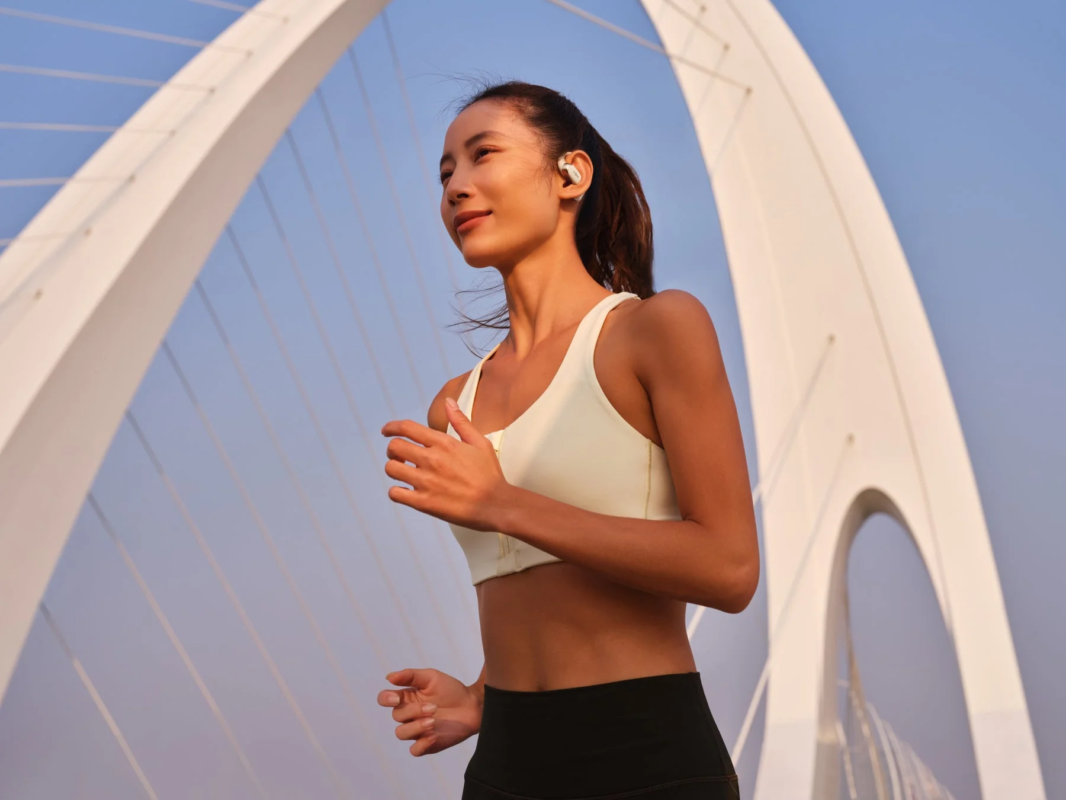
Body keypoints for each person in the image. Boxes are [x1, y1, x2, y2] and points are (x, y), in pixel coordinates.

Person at [378, 79, 758, 799]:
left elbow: (730, 567)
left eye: (482, 154)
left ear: (570, 175)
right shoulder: (454, 404)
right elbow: (535, 587)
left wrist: (502, 502)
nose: (458, 184)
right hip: (504, 770)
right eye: (446, 172)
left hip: (647, 759)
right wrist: (481, 699)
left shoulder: (654, 331)